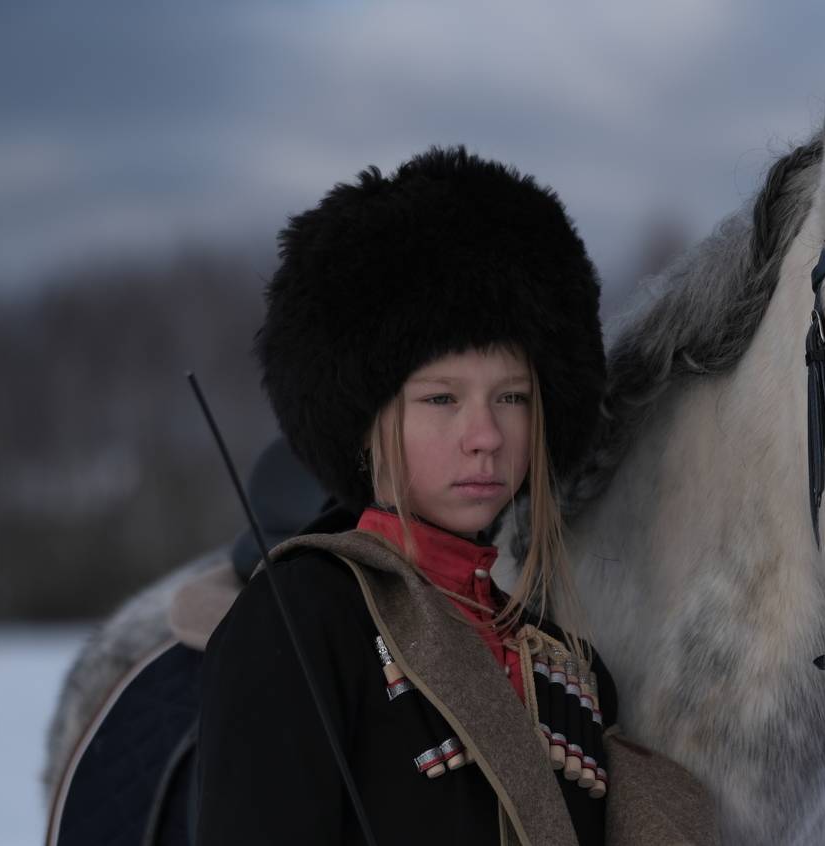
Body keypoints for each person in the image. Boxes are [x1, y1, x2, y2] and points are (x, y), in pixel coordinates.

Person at [195, 147, 712, 845]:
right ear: (367, 422)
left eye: (513, 398)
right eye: (442, 398)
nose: (487, 436)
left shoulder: (573, 670)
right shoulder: (299, 623)